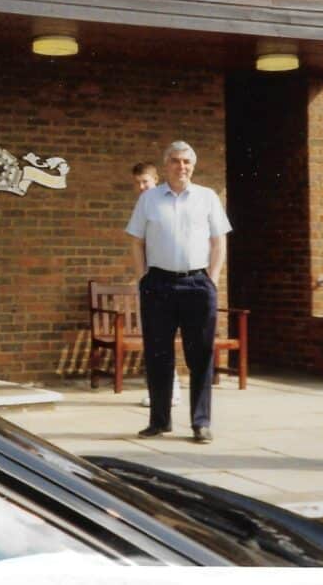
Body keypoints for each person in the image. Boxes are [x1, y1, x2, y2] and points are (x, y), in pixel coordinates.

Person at [126, 141, 231, 444]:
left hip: (197, 284)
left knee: (200, 356)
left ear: (193, 166)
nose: (181, 166)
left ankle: (201, 423)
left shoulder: (207, 197)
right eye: (175, 161)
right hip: (158, 284)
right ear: (166, 165)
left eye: (186, 161)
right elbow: (136, 241)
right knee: (158, 354)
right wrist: (143, 278)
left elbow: (219, 242)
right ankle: (159, 421)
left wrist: (213, 279)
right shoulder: (149, 199)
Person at [130, 162, 182, 408]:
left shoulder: (166, 203)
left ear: (156, 180)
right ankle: (165, 392)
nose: (142, 187)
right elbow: (138, 244)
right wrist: (143, 278)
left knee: (164, 339)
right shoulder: (144, 207)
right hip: (153, 281)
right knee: (156, 341)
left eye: (146, 182)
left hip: (173, 279)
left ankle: (171, 391)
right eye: (138, 183)